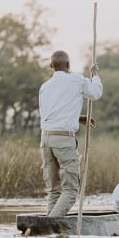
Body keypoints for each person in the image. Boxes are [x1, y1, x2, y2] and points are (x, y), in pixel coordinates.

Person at [39, 49, 103, 217]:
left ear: (51, 66)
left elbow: (51, 114)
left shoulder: (44, 87)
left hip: (45, 138)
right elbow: (95, 93)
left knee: (54, 190)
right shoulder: (76, 79)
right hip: (63, 140)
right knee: (71, 191)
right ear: (68, 65)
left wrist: (77, 118)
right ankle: (51, 223)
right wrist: (95, 75)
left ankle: (50, 236)